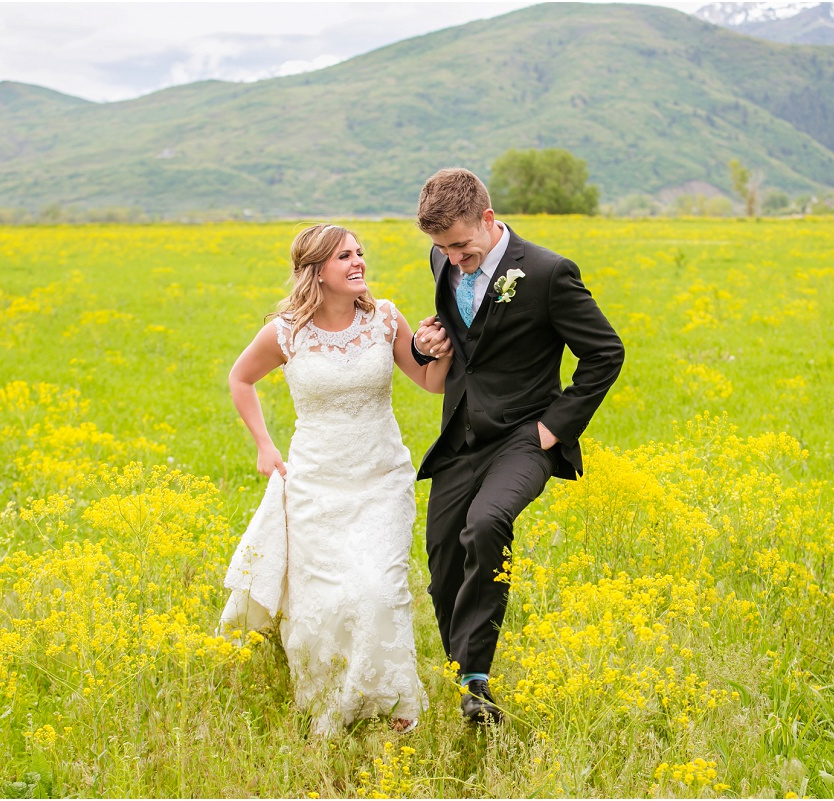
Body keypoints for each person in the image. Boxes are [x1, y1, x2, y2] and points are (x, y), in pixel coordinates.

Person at [219, 223, 453, 736]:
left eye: (360, 253)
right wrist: (264, 444)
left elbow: (432, 383)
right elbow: (240, 378)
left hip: (381, 480)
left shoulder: (385, 319)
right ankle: (332, 702)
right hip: (316, 484)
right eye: (344, 256)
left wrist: (439, 351)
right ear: (316, 271)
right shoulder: (287, 331)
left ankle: (397, 707)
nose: (358, 262)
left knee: (378, 588)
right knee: (326, 600)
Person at [409, 168, 624, 724]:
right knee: (442, 562)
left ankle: (476, 682)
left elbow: (605, 353)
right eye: (442, 248)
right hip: (461, 435)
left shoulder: (550, 273)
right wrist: (424, 342)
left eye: (461, 244)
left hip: (526, 437)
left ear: (488, 218)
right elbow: (459, 339)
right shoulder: (445, 259)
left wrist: (553, 429)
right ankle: (463, 671)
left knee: (487, 524)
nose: (454, 258)